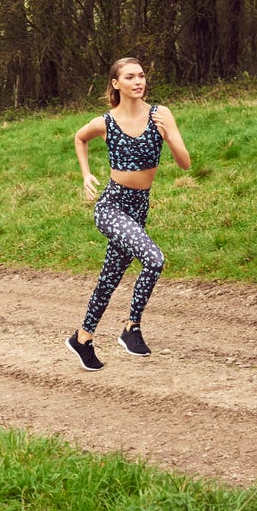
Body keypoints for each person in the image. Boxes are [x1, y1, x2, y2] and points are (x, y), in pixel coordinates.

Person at [66, 57, 191, 370]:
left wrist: (170, 136)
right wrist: (85, 174)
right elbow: (79, 137)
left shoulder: (160, 114)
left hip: (138, 208)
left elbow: (185, 163)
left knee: (109, 279)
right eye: (131, 77)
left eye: (142, 76)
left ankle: (81, 339)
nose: (139, 82)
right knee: (154, 259)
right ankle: (131, 328)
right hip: (111, 206)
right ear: (115, 83)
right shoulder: (105, 123)